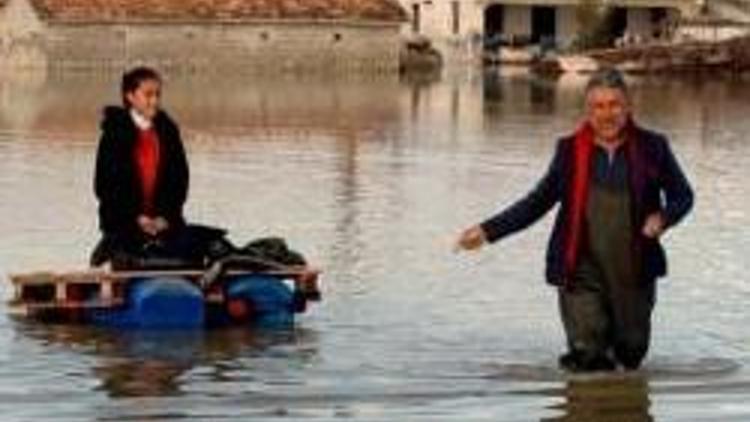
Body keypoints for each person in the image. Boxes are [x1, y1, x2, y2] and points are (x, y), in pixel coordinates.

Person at [455, 68, 694, 372]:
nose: (607, 114)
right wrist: (488, 230)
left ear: (628, 106)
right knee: (588, 353)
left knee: (631, 352)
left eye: (614, 105)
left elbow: (683, 196)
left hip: (634, 268)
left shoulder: (653, 147)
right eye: (598, 106)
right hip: (580, 267)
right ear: (587, 110)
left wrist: (663, 217)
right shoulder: (568, 151)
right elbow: (537, 203)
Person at [90, 66, 192, 268]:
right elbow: (105, 186)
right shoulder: (114, 133)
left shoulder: (168, 130)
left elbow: (179, 180)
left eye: (157, 95)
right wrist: (136, 218)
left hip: (164, 225)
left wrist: (165, 217)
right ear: (130, 96)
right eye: (148, 95)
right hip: (124, 225)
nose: (154, 101)